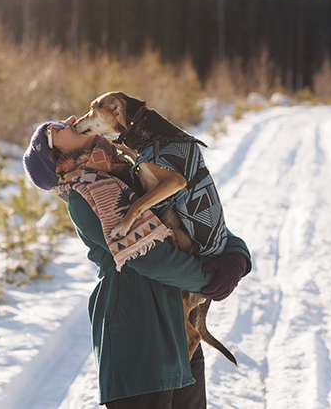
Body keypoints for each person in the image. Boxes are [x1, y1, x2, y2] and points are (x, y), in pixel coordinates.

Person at [23, 117, 251, 408]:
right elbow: (151, 258)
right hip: (140, 341)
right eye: (51, 131)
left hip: (181, 334)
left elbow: (199, 217)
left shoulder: (133, 169)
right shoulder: (88, 194)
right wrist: (212, 280)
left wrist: (237, 255)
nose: (65, 121)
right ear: (55, 161)